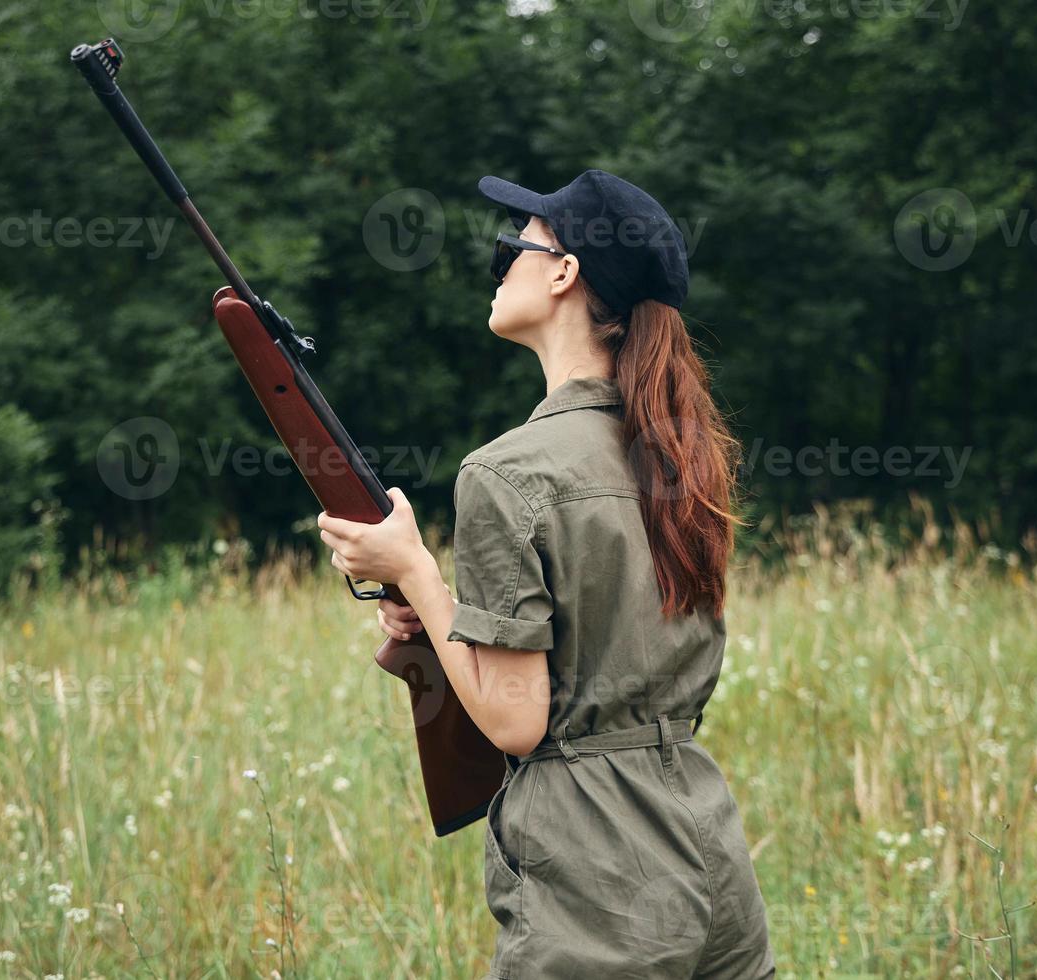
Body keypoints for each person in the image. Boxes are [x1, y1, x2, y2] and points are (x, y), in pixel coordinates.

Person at [316, 170, 775, 979]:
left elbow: (515, 723)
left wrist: (416, 571)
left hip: (596, 880)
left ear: (566, 273)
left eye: (513, 247)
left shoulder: (506, 474)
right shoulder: (683, 457)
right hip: (709, 856)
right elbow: (599, 647)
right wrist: (449, 613)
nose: (500, 267)